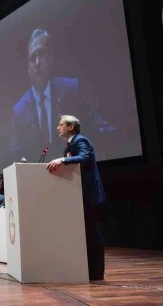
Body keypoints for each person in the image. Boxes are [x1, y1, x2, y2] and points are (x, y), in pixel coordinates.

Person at [10, 29, 115, 163]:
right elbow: (15, 154)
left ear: (51, 57)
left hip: (73, 173)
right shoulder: (19, 110)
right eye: (32, 58)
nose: (37, 63)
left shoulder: (71, 89)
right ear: (28, 67)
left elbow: (99, 126)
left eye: (41, 54)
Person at [46, 114, 106, 281]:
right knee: (85, 233)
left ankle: (97, 273)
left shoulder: (81, 141)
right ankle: (88, 270)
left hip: (90, 194)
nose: (58, 127)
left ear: (71, 127)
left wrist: (62, 159)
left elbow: (84, 157)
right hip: (78, 195)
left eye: (61, 124)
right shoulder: (69, 145)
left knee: (93, 233)